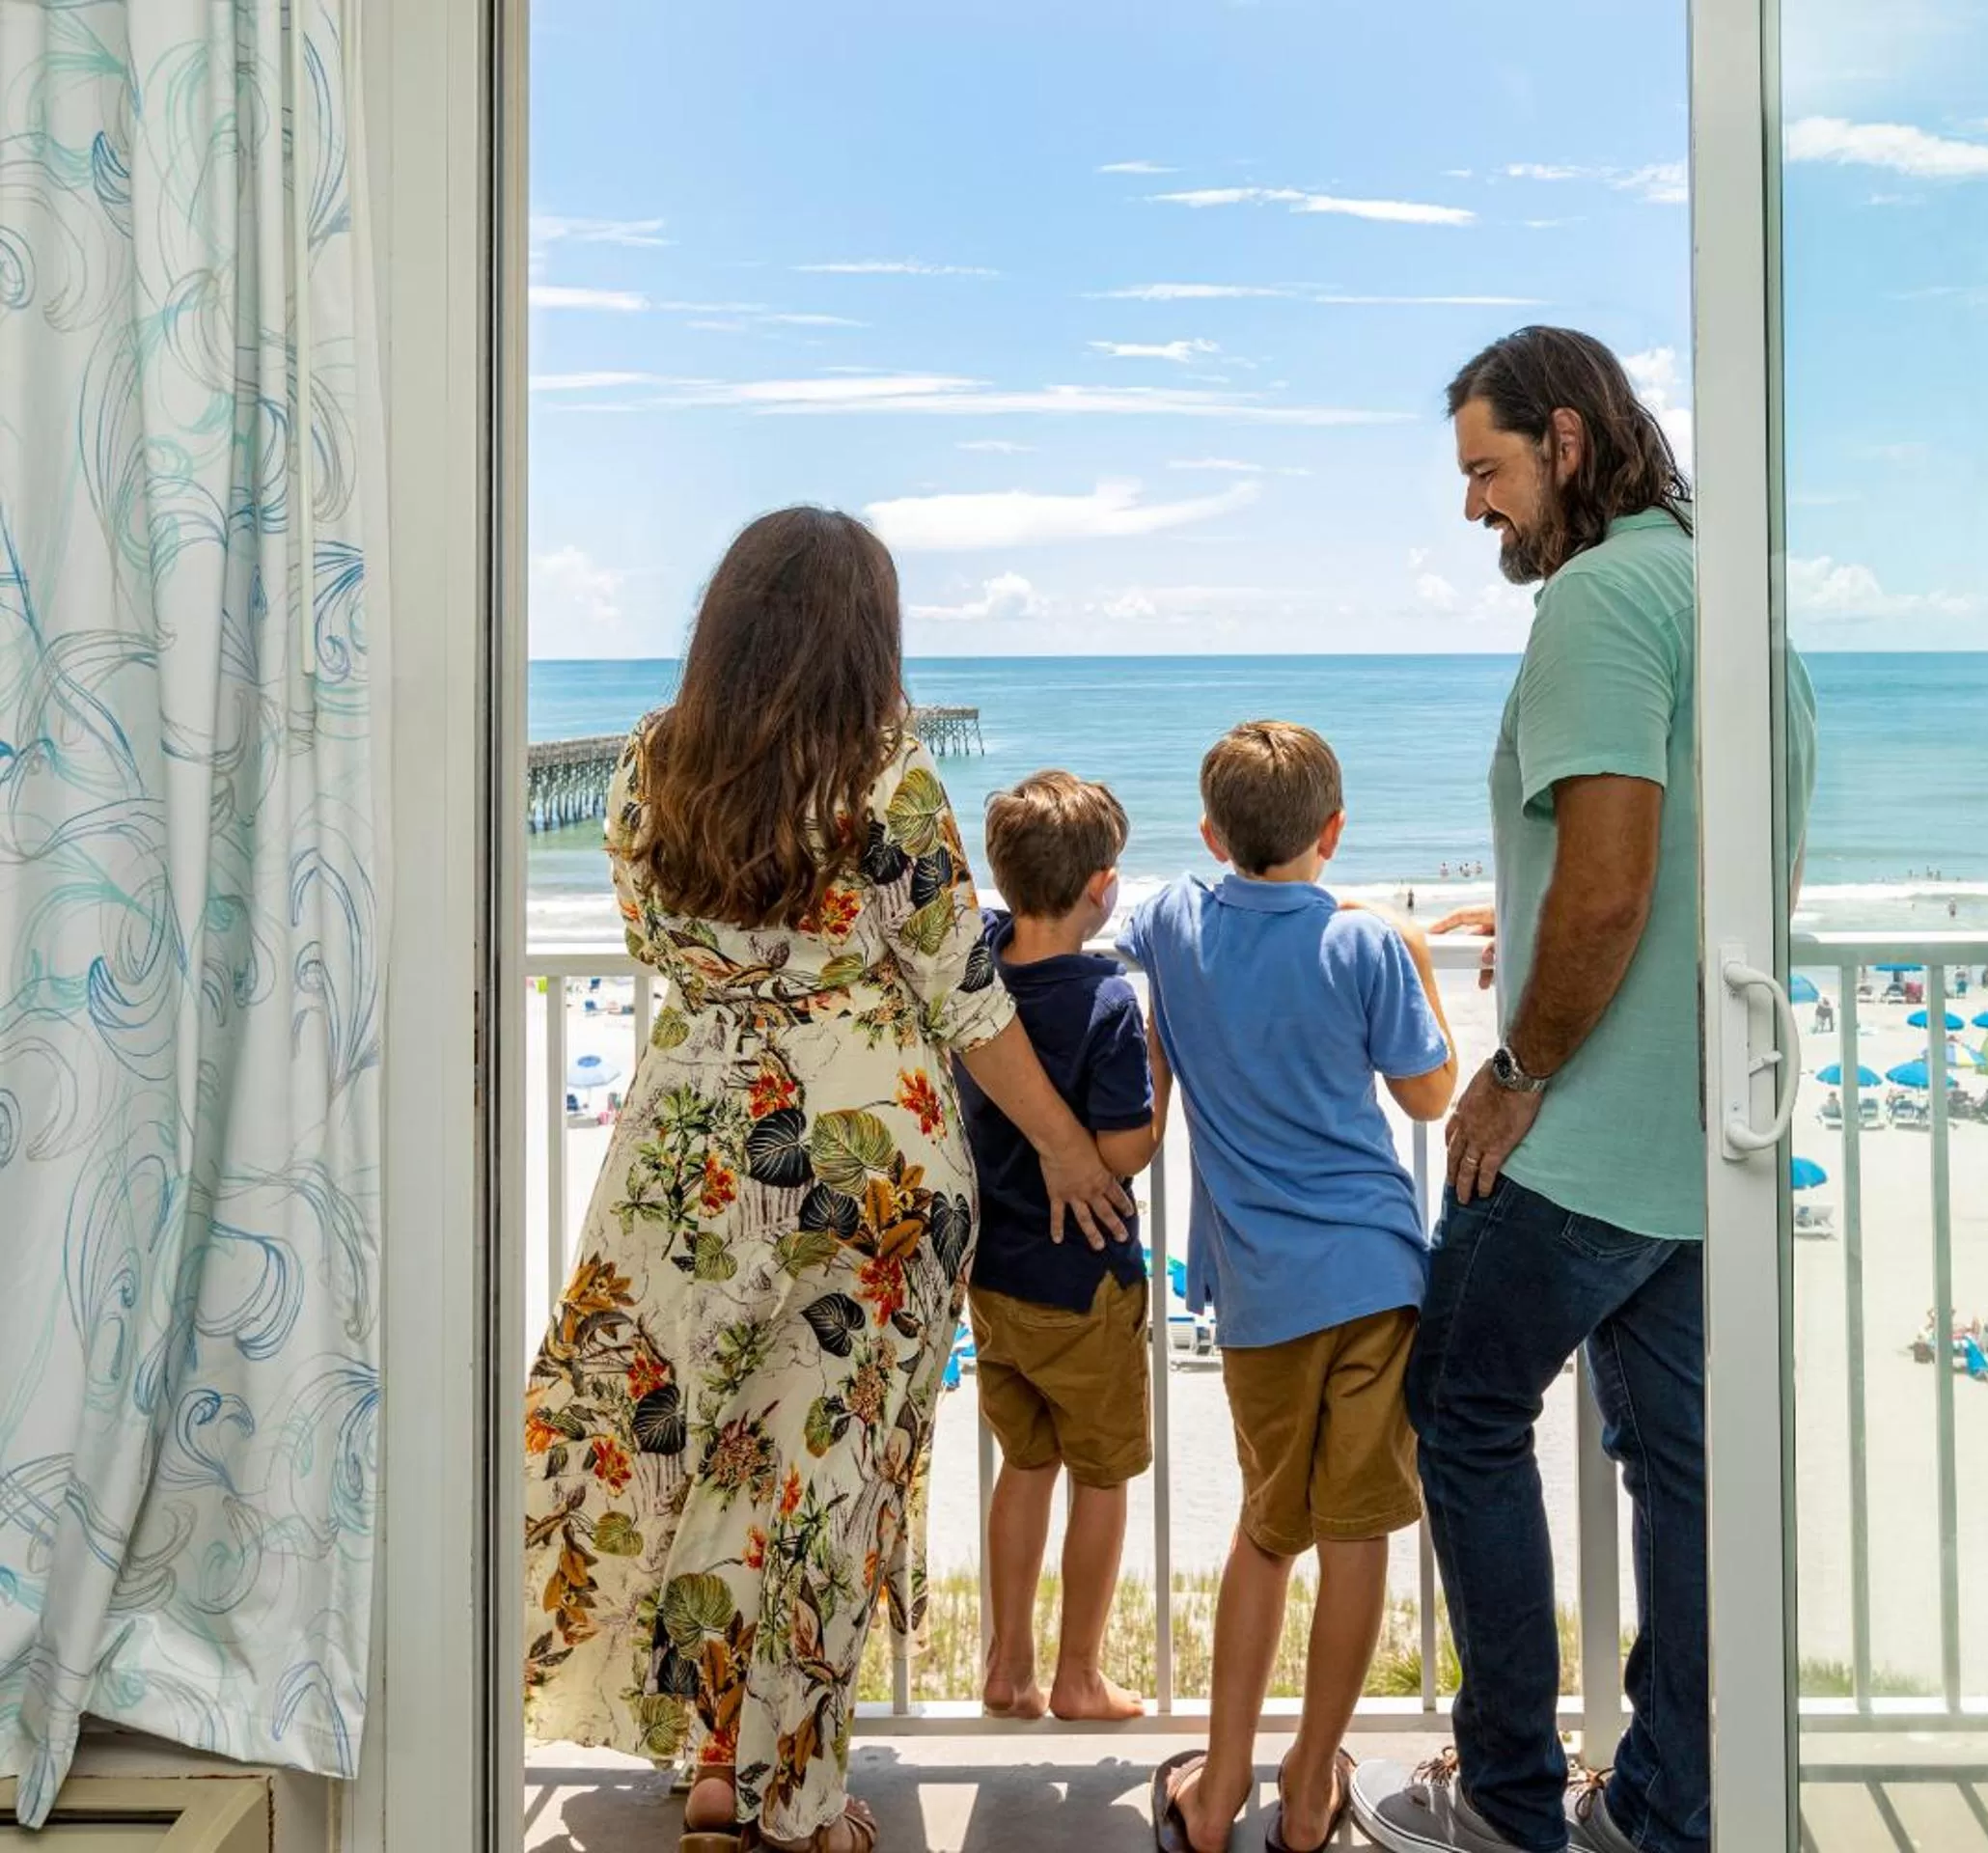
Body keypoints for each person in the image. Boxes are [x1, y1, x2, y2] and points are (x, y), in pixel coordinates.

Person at [521, 509, 1132, 1853]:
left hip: (685, 1168)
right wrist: (1067, 1145)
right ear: (870, 633)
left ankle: (711, 1774)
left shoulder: (646, 767)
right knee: (811, 1485)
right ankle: (790, 1796)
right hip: (869, 1180)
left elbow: (653, 934)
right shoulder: (888, 781)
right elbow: (967, 1000)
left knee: (693, 1463)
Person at [1351, 327, 1815, 1853]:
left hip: (1581, 1139)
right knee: (1681, 1479)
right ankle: (1667, 1810)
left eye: (1486, 470)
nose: (1473, 508)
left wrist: (1512, 1074)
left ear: (1564, 440)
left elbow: (1608, 885)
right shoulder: (1722, 584)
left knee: (1458, 1413)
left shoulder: (1604, 599)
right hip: (1701, 1142)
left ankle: (1505, 1804)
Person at [1128, 722, 1459, 1853]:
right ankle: (1310, 1790)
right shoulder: (1365, 949)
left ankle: (1217, 1794)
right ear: (1335, 830)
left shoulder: (1173, 922)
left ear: (1212, 835)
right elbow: (1426, 1097)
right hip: (1375, 1276)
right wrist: (1411, 946)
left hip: (1261, 1298)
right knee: (1360, 1533)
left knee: (1268, 1535)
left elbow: (1084, 917)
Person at [953, 771, 1166, 1726]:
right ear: (1103, 885)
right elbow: (1121, 1152)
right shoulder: (1109, 1004)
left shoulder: (977, 969)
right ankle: (1079, 1673)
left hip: (993, 1281)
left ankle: (1007, 1664)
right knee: (1105, 1477)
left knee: (1023, 1468)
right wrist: (1163, 1073)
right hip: (1085, 1288)